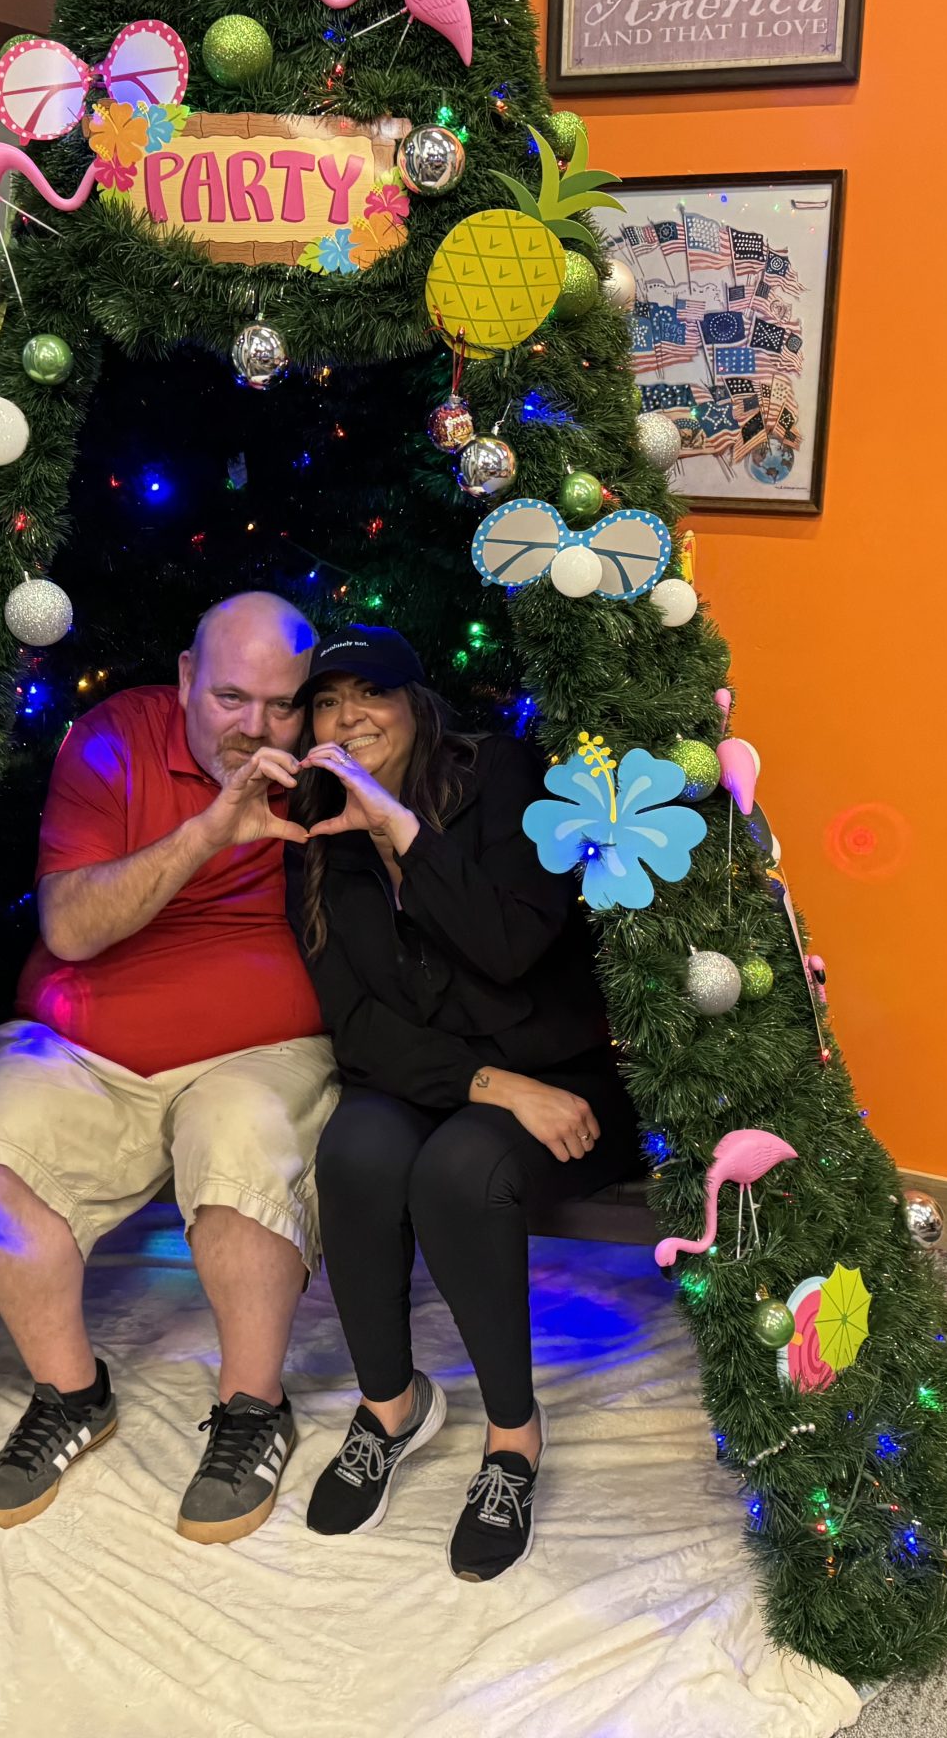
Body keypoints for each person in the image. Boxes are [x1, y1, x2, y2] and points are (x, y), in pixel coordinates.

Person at [0, 591, 333, 1546]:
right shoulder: (114, 738)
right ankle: (71, 1393)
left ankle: (252, 1409)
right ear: (188, 677)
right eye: (231, 697)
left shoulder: (328, 759)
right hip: (83, 1047)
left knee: (242, 1144)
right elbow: (71, 929)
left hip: (259, 1048)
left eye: (281, 705)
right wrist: (209, 831)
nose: (255, 728)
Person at [282, 626, 636, 1581]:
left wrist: (400, 830)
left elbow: (512, 947)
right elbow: (358, 1025)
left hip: (556, 1072)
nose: (349, 718)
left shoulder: (505, 777)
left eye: (370, 695)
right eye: (327, 702)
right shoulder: (313, 833)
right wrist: (487, 1085)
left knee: (459, 1171)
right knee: (355, 1154)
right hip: (436, 1075)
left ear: (416, 703)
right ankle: (390, 1406)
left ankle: (514, 1438)